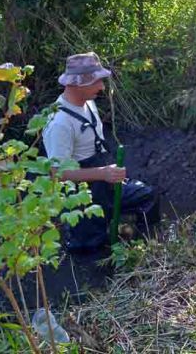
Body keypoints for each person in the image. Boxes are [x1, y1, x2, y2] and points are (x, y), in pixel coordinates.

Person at [42, 52, 156, 250]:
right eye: (97, 82)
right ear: (79, 83)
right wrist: (103, 173)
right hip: (81, 195)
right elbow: (56, 174)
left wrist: (106, 175)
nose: (102, 87)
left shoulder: (88, 102)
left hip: (105, 183)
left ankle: (136, 243)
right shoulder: (59, 123)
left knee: (147, 197)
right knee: (89, 247)